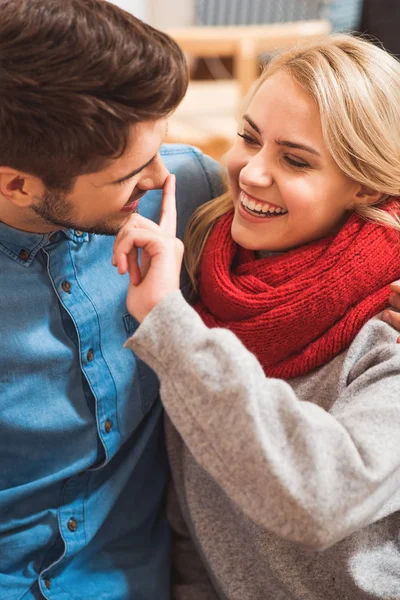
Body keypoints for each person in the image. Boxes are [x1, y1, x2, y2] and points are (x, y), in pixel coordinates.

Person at [116, 35, 400, 599]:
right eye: (249, 137)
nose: (249, 173)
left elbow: (322, 497)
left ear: (364, 182)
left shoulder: (384, 331)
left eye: (294, 160)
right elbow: (192, 510)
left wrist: (171, 330)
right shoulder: (206, 266)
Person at [0, 1, 223, 598]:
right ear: (17, 184)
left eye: (160, 146)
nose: (158, 178)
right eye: (130, 174)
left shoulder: (193, 191)